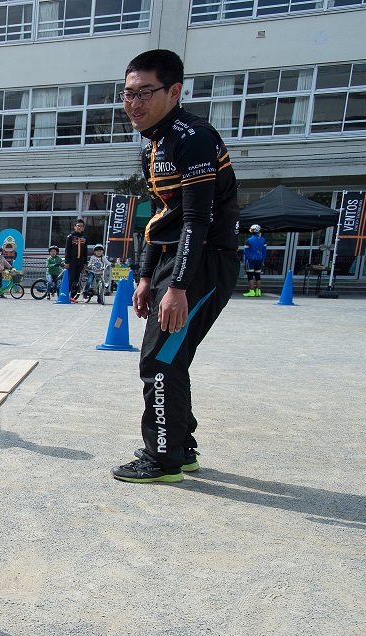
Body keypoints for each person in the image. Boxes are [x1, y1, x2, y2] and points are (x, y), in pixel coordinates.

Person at [112, 49, 240, 484]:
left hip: (203, 262)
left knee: (160, 361)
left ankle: (163, 459)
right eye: (127, 94)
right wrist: (147, 276)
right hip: (175, 261)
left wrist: (178, 286)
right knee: (171, 358)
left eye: (144, 93)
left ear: (175, 91)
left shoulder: (194, 138)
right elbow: (161, 216)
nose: (134, 104)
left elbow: (196, 219)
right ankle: (178, 447)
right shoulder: (154, 145)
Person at [65, 218, 89, 302]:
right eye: (78, 226)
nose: (79, 227)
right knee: (70, 278)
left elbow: (85, 251)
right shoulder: (70, 237)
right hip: (72, 260)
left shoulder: (84, 238)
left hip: (80, 260)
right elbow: (67, 250)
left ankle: (72, 296)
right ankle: (65, 294)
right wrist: (67, 262)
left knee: (77, 279)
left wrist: (85, 262)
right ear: (75, 226)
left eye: (81, 226)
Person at [243, 224, 267, 297]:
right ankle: (258, 291)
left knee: (250, 276)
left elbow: (245, 252)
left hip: (250, 259)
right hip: (259, 259)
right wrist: (263, 260)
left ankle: (251, 291)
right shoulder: (263, 240)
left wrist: (244, 262)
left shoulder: (249, 240)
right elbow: (264, 251)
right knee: (258, 275)